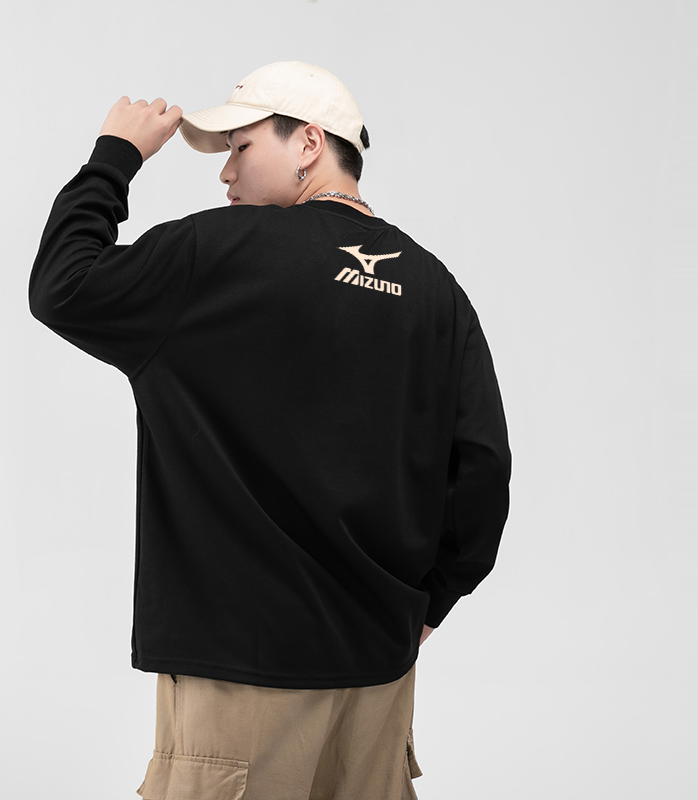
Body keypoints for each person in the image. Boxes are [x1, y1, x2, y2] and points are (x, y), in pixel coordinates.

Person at [29, 61, 511, 800]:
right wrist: (431, 604)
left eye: (241, 147)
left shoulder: (215, 253)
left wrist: (114, 157)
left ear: (309, 143)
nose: (225, 174)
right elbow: (480, 471)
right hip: (379, 676)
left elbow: (63, 285)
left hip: (242, 676)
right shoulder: (435, 290)